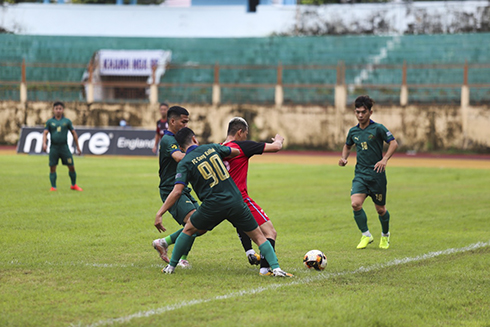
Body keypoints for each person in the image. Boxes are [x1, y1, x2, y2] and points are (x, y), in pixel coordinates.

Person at [154, 127, 293, 277]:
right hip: (235, 200)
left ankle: (171, 267)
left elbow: (177, 191)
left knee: (188, 230)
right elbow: (236, 152)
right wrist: (220, 151)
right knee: (259, 236)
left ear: (180, 147)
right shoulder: (211, 147)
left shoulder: (184, 163)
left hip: (212, 205)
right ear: (195, 139)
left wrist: (160, 212)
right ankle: (276, 268)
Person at [222, 117, 284, 276]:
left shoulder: (220, 148)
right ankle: (265, 269)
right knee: (270, 232)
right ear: (240, 132)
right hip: (240, 199)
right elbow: (276, 147)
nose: (246, 137)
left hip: (220, 200)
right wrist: (278, 139)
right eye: (246, 134)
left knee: (194, 228)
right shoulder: (242, 146)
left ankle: (167, 246)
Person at [338, 95, 398, 249]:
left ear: (370, 112)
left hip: (377, 176)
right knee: (355, 204)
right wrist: (344, 158)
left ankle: (385, 235)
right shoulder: (353, 131)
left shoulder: (378, 128)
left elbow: (393, 143)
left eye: (363, 112)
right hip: (360, 175)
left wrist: (384, 159)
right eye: (357, 112)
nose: (360, 115)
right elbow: (347, 145)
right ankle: (366, 235)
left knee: (380, 209)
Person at [152, 106, 199, 268]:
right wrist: (200, 153)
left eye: (187, 122)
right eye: (183, 122)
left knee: (202, 222)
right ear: (172, 121)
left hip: (183, 187)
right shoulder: (168, 140)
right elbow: (179, 157)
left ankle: (181, 256)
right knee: (195, 221)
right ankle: (165, 244)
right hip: (171, 188)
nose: (186, 125)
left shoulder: (179, 139)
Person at [42, 101, 83, 192]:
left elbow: (73, 133)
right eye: (56, 109)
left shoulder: (67, 121)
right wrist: (44, 143)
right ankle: (53, 187)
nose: (58, 110)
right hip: (54, 148)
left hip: (64, 147)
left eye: (60, 109)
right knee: (52, 167)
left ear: (63, 110)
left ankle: (73, 185)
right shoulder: (50, 122)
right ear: (53, 110)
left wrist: (78, 146)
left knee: (71, 166)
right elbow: (45, 133)